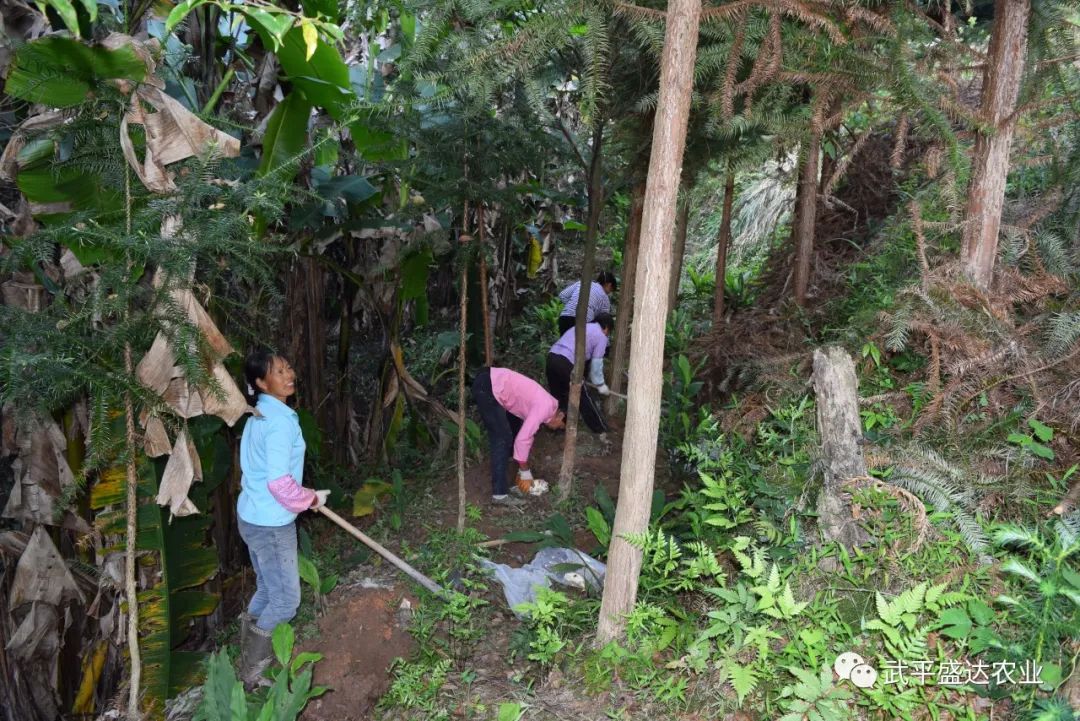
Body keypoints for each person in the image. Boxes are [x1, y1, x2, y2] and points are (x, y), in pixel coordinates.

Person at [236, 349, 330, 687]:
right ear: (261, 382)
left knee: (266, 587)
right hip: (270, 524)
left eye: (288, 367)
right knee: (287, 600)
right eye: (277, 371)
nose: (288, 374)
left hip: (251, 515)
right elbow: (279, 482)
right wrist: (309, 498)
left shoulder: (259, 414)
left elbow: (267, 474)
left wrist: (306, 495)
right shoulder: (276, 422)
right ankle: (254, 670)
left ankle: (246, 652)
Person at [471, 367, 566, 506]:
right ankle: (500, 495)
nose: (557, 429)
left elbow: (525, 435)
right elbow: (523, 439)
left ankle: (515, 483)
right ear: (561, 416)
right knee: (502, 438)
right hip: (489, 385)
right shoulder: (545, 407)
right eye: (561, 426)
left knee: (513, 432)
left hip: (491, 383)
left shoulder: (547, 405)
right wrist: (525, 469)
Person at [546, 313, 612, 435]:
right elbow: (596, 364)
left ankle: (559, 427)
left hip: (551, 358)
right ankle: (600, 429)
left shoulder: (580, 327)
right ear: (606, 328)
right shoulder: (601, 336)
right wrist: (601, 385)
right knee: (583, 396)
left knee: (558, 397)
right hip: (565, 362)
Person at [557, 271, 616, 335]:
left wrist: (572, 306)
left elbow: (562, 295)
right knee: (579, 344)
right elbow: (604, 320)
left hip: (565, 317)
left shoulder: (583, 283)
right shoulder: (605, 298)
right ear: (609, 285)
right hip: (583, 321)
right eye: (611, 290)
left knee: (566, 343)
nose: (609, 293)